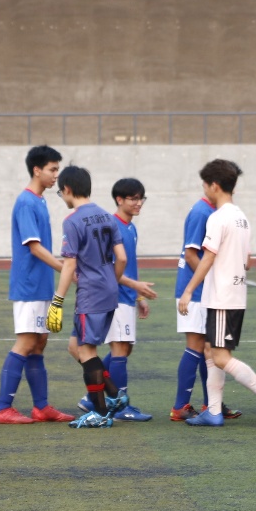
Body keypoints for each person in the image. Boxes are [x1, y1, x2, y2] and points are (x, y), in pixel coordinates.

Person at [49, 166, 157, 428]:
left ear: (67, 189)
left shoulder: (72, 220)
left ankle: (100, 412)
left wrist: (58, 300)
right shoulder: (108, 217)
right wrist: (111, 279)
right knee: (80, 347)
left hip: (90, 294)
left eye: (61, 193)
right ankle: (115, 396)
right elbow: (121, 258)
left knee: (86, 351)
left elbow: (70, 264)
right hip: (110, 292)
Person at [176, 160, 256, 427]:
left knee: (221, 356)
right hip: (232, 294)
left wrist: (188, 290)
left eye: (205, 185)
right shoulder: (241, 217)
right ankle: (213, 411)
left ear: (214, 185)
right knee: (210, 350)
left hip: (222, 296)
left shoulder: (218, 217)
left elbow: (207, 258)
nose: (204, 190)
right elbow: (246, 262)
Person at [0, 146, 72, 425]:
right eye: (52, 169)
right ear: (37, 170)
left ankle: (41, 407)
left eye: (57, 169)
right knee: (26, 342)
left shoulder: (39, 200)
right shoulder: (26, 202)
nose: (56, 175)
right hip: (28, 285)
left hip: (41, 284)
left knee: (39, 343)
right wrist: (65, 268)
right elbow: (34, 247)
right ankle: (2, 408)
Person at [81, 177, 153, 421]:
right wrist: (134, 288)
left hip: (127, 296)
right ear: (119, 200)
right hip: (113, 297)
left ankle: (91, 395)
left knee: (125, 348)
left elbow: (130, 266)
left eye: (141, 198)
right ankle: (121, 407)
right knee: (120, 349)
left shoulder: (131, 228)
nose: (138, 203)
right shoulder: (111, 227)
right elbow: (108, 269)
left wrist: (139, 295)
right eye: (133, 199)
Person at [171, 186, 221, 421]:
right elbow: (191, 254)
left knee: (207, 347)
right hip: (196, 291)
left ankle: (212, 403)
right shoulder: (202, 211)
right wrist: (209, 280)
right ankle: (180, 406)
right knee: (195, 345)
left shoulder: (212, 210)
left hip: (202, 290)